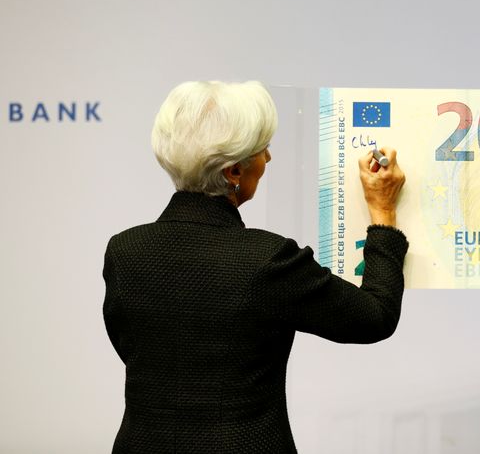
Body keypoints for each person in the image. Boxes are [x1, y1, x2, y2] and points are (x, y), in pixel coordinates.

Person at [102, 81, 407, 453]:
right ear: (233, 172)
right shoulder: (267, 260)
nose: (269, 159)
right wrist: (383, 212)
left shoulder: (125, 251)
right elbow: (374, 316)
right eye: (263, 149)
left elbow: (133, 348)